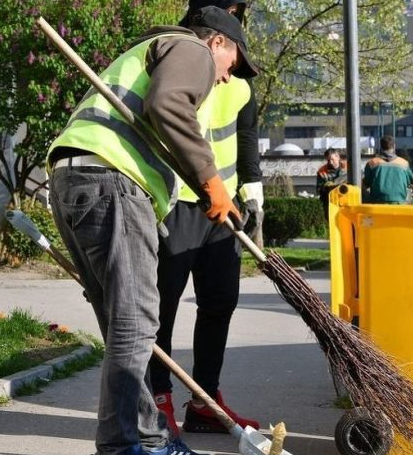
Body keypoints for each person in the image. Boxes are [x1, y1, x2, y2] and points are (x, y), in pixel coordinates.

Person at [46, 7, 258, 455]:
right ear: (217, 41)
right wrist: (212, 180)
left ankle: (148, 437)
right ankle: (125, 446)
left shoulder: (150, 50)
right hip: (113, 184)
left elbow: (158, 114)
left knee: (125, 324)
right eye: (232, 65)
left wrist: (205, 192)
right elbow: (168, 104)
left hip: (75, 181)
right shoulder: (191, 49)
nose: (226, 78)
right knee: (138, 320)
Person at [146, 0, 261, 437]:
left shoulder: (239, 79)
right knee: (161, 307)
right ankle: (159, 402)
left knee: (219, 303)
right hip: (173, 201)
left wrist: (253, 196)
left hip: (221, 207)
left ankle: (205, 400)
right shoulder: (179, 52)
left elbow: (246, 140)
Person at [363, 136, 413, 205]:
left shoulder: (372, 163)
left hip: (377, 203)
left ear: (381, 147)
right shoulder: (404, 163)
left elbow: (365, 184)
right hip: (399, 204)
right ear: (394, 146)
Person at [316, 148, 347, 220]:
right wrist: (328, 187)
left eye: (332, 159)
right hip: (330, 203)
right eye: (328, 160)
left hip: (346, 202)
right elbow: (319, 190)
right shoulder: (322, 171)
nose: (330, 162)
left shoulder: (349, 167)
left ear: (338, 157)